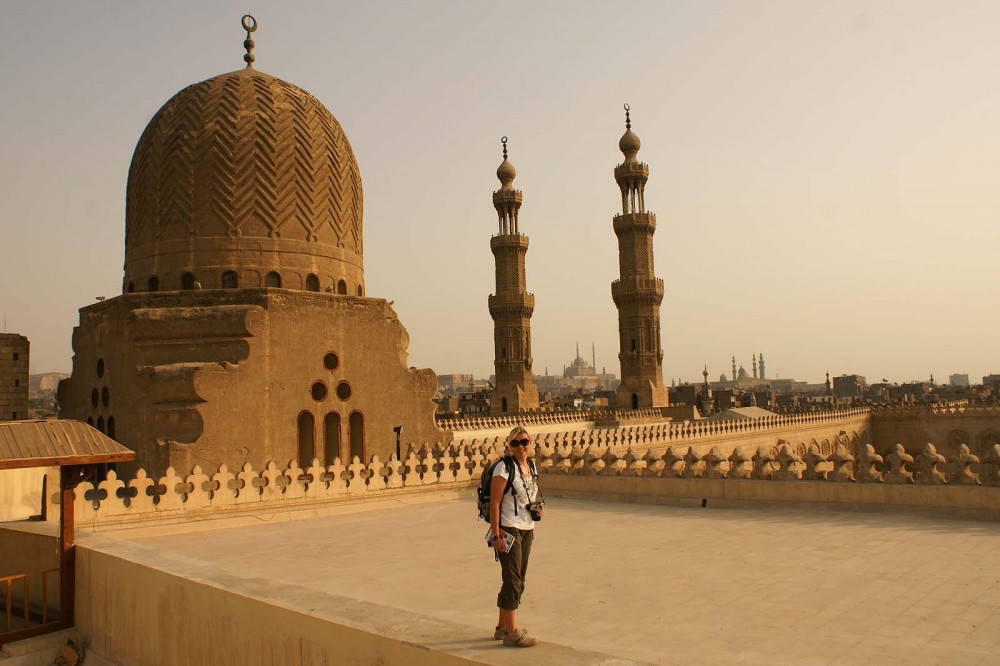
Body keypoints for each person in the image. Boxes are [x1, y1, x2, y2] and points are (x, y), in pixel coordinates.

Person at [488, 426, 543, 648]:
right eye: (516, 443)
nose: (521, 447)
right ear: (509, 446)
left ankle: (502, 627)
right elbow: (495, 502)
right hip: (509, 529)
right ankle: (511, 633)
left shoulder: (530, 465)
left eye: (524, 442)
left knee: (517, 578)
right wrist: (496, 534)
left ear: (530, 444)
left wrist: (537, 510)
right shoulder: (503, 468)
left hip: (526, 528)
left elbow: (529, 493)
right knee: (513, 580)